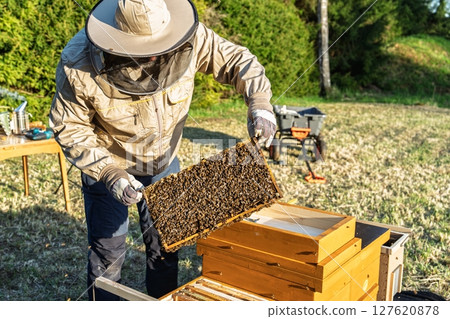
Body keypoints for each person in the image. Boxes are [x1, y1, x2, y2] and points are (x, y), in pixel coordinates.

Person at [50, 0, 276, 300]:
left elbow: (238, 61)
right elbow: (70, 127)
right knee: (108, 254)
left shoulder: (192, 37)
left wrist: (260, 104)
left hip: (163, 163)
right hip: (108, 165)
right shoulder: (77, 62)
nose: (156, 55)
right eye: (145, 51)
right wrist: (109, 173)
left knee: (166, 247)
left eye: (161, 46)